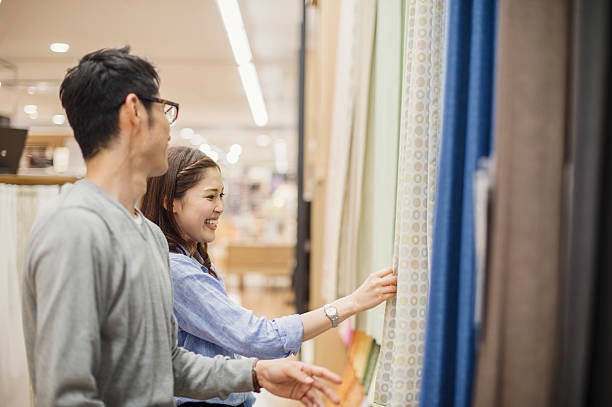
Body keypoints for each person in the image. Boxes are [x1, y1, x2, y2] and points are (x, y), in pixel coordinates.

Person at [21, 47, 341, 407]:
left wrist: (254, 373)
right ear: (134, 111)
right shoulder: (74, 230)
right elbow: (67, 396)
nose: (170, 126)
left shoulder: (149, 235)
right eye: (164, 108)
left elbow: (165, 366)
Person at [141, 146, 398, 407]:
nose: (220, 207)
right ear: (170, 201)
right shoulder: (178, 270)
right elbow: (257, 337)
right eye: (210, 197)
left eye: (221, 195)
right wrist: (351, 303)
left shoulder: (193, 260)